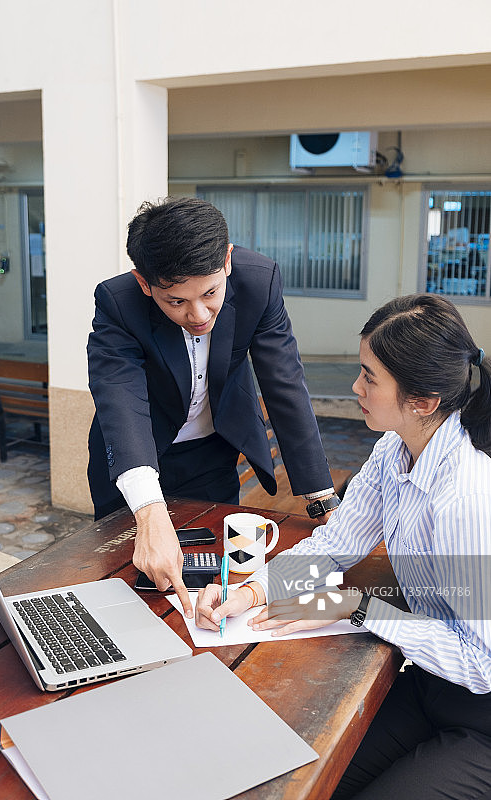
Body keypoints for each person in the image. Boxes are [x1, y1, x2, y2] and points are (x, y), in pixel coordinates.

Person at [196, 293, 491, 799]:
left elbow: (480, 664)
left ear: (422, 401)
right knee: (306, 782)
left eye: (369, 377)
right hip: (427, 684)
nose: (355, 387)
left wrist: (356, 605)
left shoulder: (465, 496)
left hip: (480, 713)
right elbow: (335, 545)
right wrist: (252, 592)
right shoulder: (394, 451)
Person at [87, 196, 338, 619]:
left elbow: (284, 384)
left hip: (212, 450)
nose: (199, 314)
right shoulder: (118, 302)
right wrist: (149, 513)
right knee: (131, 582)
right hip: (136, 457)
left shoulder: (260, 282)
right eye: (176, 302)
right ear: (144, 283)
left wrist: (321, 497)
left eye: (209, 293)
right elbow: (119, 398)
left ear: (226, 261)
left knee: (216, 577)